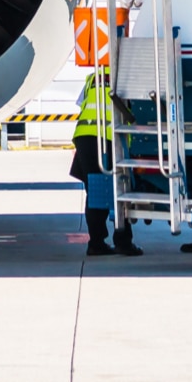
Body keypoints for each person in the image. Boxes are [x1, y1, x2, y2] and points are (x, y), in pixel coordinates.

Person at [70, 67, 142, 257]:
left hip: (84, 136)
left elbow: (82, 104)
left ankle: (96, 242)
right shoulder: (128, 76)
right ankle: (123, 241)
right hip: (110, 137)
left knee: (94, 191)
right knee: (121, 189)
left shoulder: (94, 76)